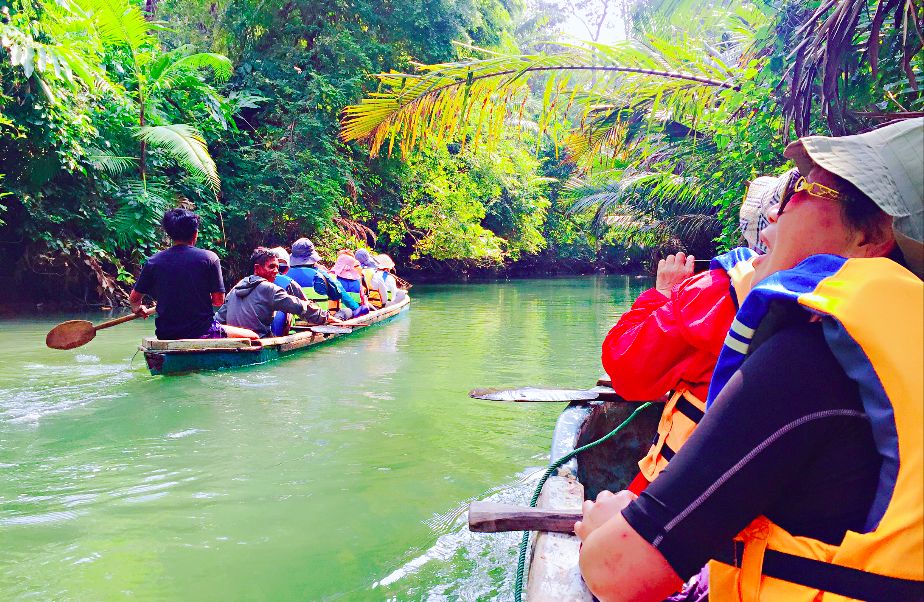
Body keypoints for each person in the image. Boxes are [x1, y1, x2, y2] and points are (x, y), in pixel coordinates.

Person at [577, 118, 923, 601]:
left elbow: (617, 573)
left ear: (872, 235)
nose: (775, 220)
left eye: (799, 191)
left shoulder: (808, 363)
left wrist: (605, 522)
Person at [601, 172, 796, 494]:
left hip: (698, 483)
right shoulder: (855, 290)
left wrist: (663, 293)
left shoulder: (716, 293)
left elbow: (626, 371)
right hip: (783, 483)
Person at [129, 208, 256, 340]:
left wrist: (138, 309)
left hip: (165, 335)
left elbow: (134, 300)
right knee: (253, 336)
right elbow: (218, 301)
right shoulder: (209, 258)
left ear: (169, 234)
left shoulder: (153, 261)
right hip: (203, 332)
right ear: (195, 234)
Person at [216, 247, 328, 338]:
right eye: (271, 267)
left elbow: (219, 319)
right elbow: (300, 307)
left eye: (277, 267)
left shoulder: (236, 287)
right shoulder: (269, 289)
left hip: (235, 341)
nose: (276, 271)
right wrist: (325, 318)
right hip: (259, 342)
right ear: (257, 268)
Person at [287, 237, 358, 321]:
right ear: (313, 258)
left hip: (294, 323)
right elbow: (337, 295)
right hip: (320, 321)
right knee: (347, 311)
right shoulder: (321, 274)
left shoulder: (284, 275)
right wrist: (357, 309)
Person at [268, 247, 308, 336]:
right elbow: (308, 309)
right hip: (276, 332)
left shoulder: (248, 282)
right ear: (287, 269)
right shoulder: (289, 283)